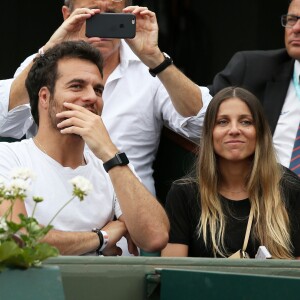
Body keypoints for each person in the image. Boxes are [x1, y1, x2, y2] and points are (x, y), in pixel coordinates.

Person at [0, 1, 211, 196]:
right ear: (67, 15)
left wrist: (155, 59)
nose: (101, 28)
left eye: (111, 16)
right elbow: (3, 121)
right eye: (91, 15)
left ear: (128, 16)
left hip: (130, 214)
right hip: (51, 204)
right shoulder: (41, 62)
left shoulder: (150, 67)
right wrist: (50, 50)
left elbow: (206, 126)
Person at [0, 40, 170, 256]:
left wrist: (109, 151)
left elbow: (155, 237)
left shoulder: (113, 165)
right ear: (44, 97)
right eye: (77, 86)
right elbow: (19, 238)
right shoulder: (8, 158)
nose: (92, 97)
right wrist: (102, 236)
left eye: (98, 90)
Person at [161, 87, 300, 259]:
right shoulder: (184, 193)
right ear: (209, 133)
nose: (234, 130)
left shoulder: (287, 186)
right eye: (222, 122)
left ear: (260, 133)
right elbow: (173, 273)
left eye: (245, 122)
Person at [208, 0, 300, 176]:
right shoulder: (252, 69)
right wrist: (159, 62)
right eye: (292, 19)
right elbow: (200, 109)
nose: (296, 28)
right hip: (265, 194)